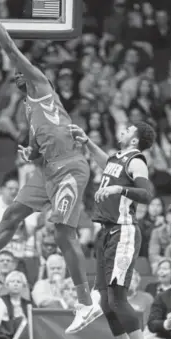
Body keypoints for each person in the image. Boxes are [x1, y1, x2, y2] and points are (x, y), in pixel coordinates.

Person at [0, 8, 102, 334]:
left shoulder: (41, 85)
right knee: (11, 216)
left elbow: (11, 49)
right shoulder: (30, 108)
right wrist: (31, 151)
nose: (17, 77)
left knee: (61, 231)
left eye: (19, 75)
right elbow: (37, 148)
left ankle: (85, 303)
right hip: (46, 172)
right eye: (15, 78)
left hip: (70, 169)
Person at [69, 121, 156, 339]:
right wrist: (87, 141)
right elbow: (106, 164)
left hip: (123, 231)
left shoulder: (136, 161)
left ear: (134, 140)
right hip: (106, 231)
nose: (123, 129)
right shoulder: (117, 158)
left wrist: (120, 188)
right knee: (106, 302)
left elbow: (146, 195)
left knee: (117, 300)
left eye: (128, 129)